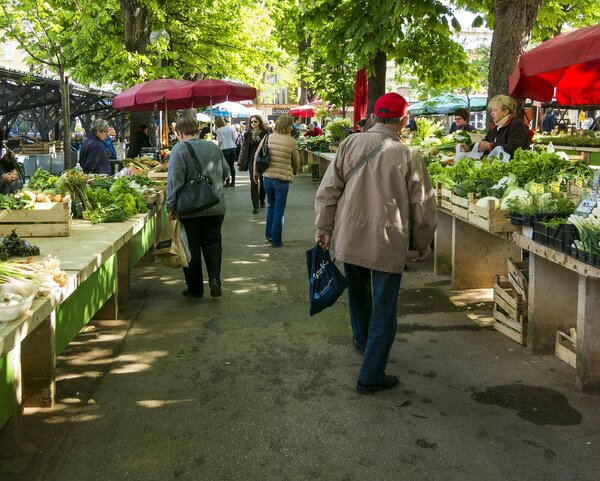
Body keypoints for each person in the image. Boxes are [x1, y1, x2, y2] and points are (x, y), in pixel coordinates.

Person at [314, 92, 438, 394]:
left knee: (358, 297)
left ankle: (362, 341)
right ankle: (371, 373)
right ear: (404, 121)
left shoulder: (349, 144)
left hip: (350, 236)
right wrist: (423, 243)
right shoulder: (408, 155)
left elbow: (329, 189)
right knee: (385, 307)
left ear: (372, 118)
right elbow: (422, 205)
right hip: (387, 240)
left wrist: (324, 228)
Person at [166, 116, 230, 299]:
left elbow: (174, 181)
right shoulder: (213, 147)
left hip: (189, 208)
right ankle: (215, 280)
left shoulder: (179, 149)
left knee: (190, 246)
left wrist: (170, 206)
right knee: (213, 242)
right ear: (197, 130)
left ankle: (195, 288)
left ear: (179, 132)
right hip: (216, 204)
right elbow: (225, 172)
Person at [254, 114, 299, 247]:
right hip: (282, 180)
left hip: (267, 178)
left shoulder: (268, 137)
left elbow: (257, 155)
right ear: (287, 126)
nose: (292, 127)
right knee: (279, 209)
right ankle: (276, 240)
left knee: (271, 207)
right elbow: (296, 161)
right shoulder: (291, 141)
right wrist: (294, 172)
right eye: (291, 125)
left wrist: (256, 173)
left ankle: (269, 235)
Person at [238, 115, 269, 214]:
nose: (253, 124)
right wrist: (241, 162)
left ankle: (262, 200)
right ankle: (255, 206)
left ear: (260, 122)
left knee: (263, 182)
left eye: (255, 121)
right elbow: (244, 148)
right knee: (253, 182)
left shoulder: (266, 133)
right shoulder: (247, 134)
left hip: (263, 160)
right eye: (251, 122)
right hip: (252, 160)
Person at [215, 117, 239, 187]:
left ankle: (227, 182)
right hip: (233, 148)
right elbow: (234, 137)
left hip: (224, 148)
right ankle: (233, 182)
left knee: (226, 166)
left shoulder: (218, 130)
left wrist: (218, 147)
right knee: (232, 166)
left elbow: (220, 141)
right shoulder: (230, 128)